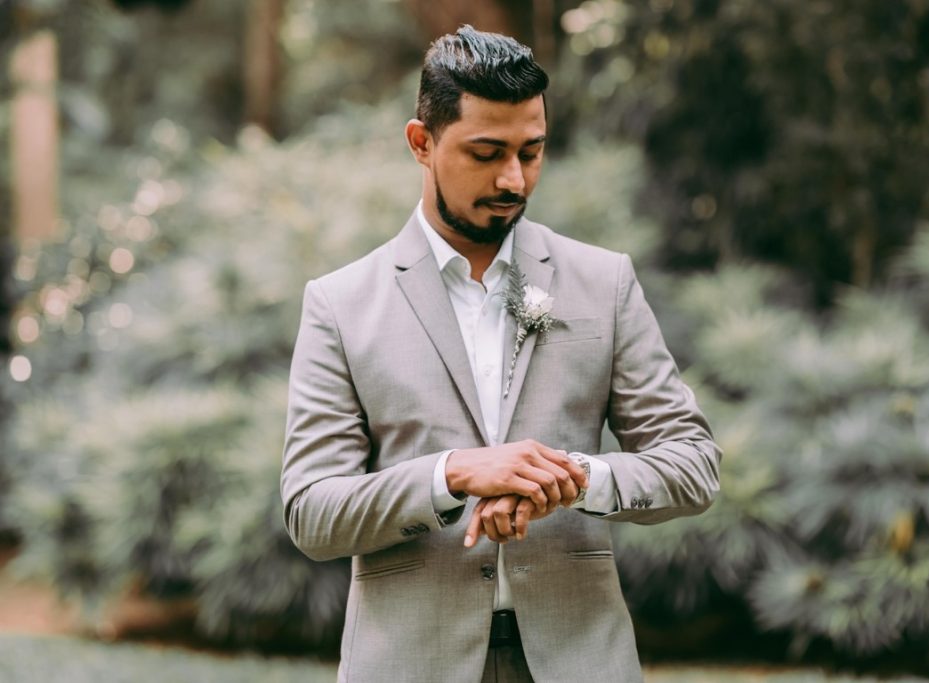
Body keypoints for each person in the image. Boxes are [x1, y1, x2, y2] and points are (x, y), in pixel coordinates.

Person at [280, 25, 721, 683]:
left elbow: (692, 465)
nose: (514, 179)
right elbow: (314, 511)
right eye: (486, 153)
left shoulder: (603, 281)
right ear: (421, 143)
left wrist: (571, 474)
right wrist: (454, 472)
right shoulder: (341, 303)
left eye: (532, 152)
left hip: (580, 659)